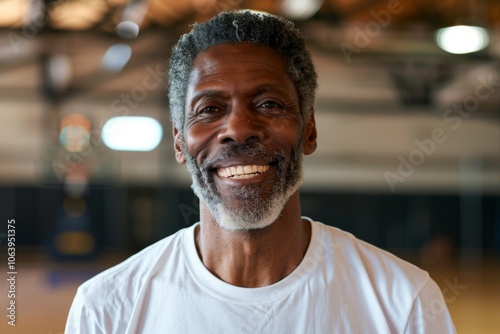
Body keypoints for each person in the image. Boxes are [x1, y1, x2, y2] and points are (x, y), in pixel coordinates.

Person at [65, 10, 456, 333]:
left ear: (309, 130)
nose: (237, 129)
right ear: (180, 143)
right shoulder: (106, 310)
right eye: (209, 109)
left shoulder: (404, 303)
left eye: (269, 104)